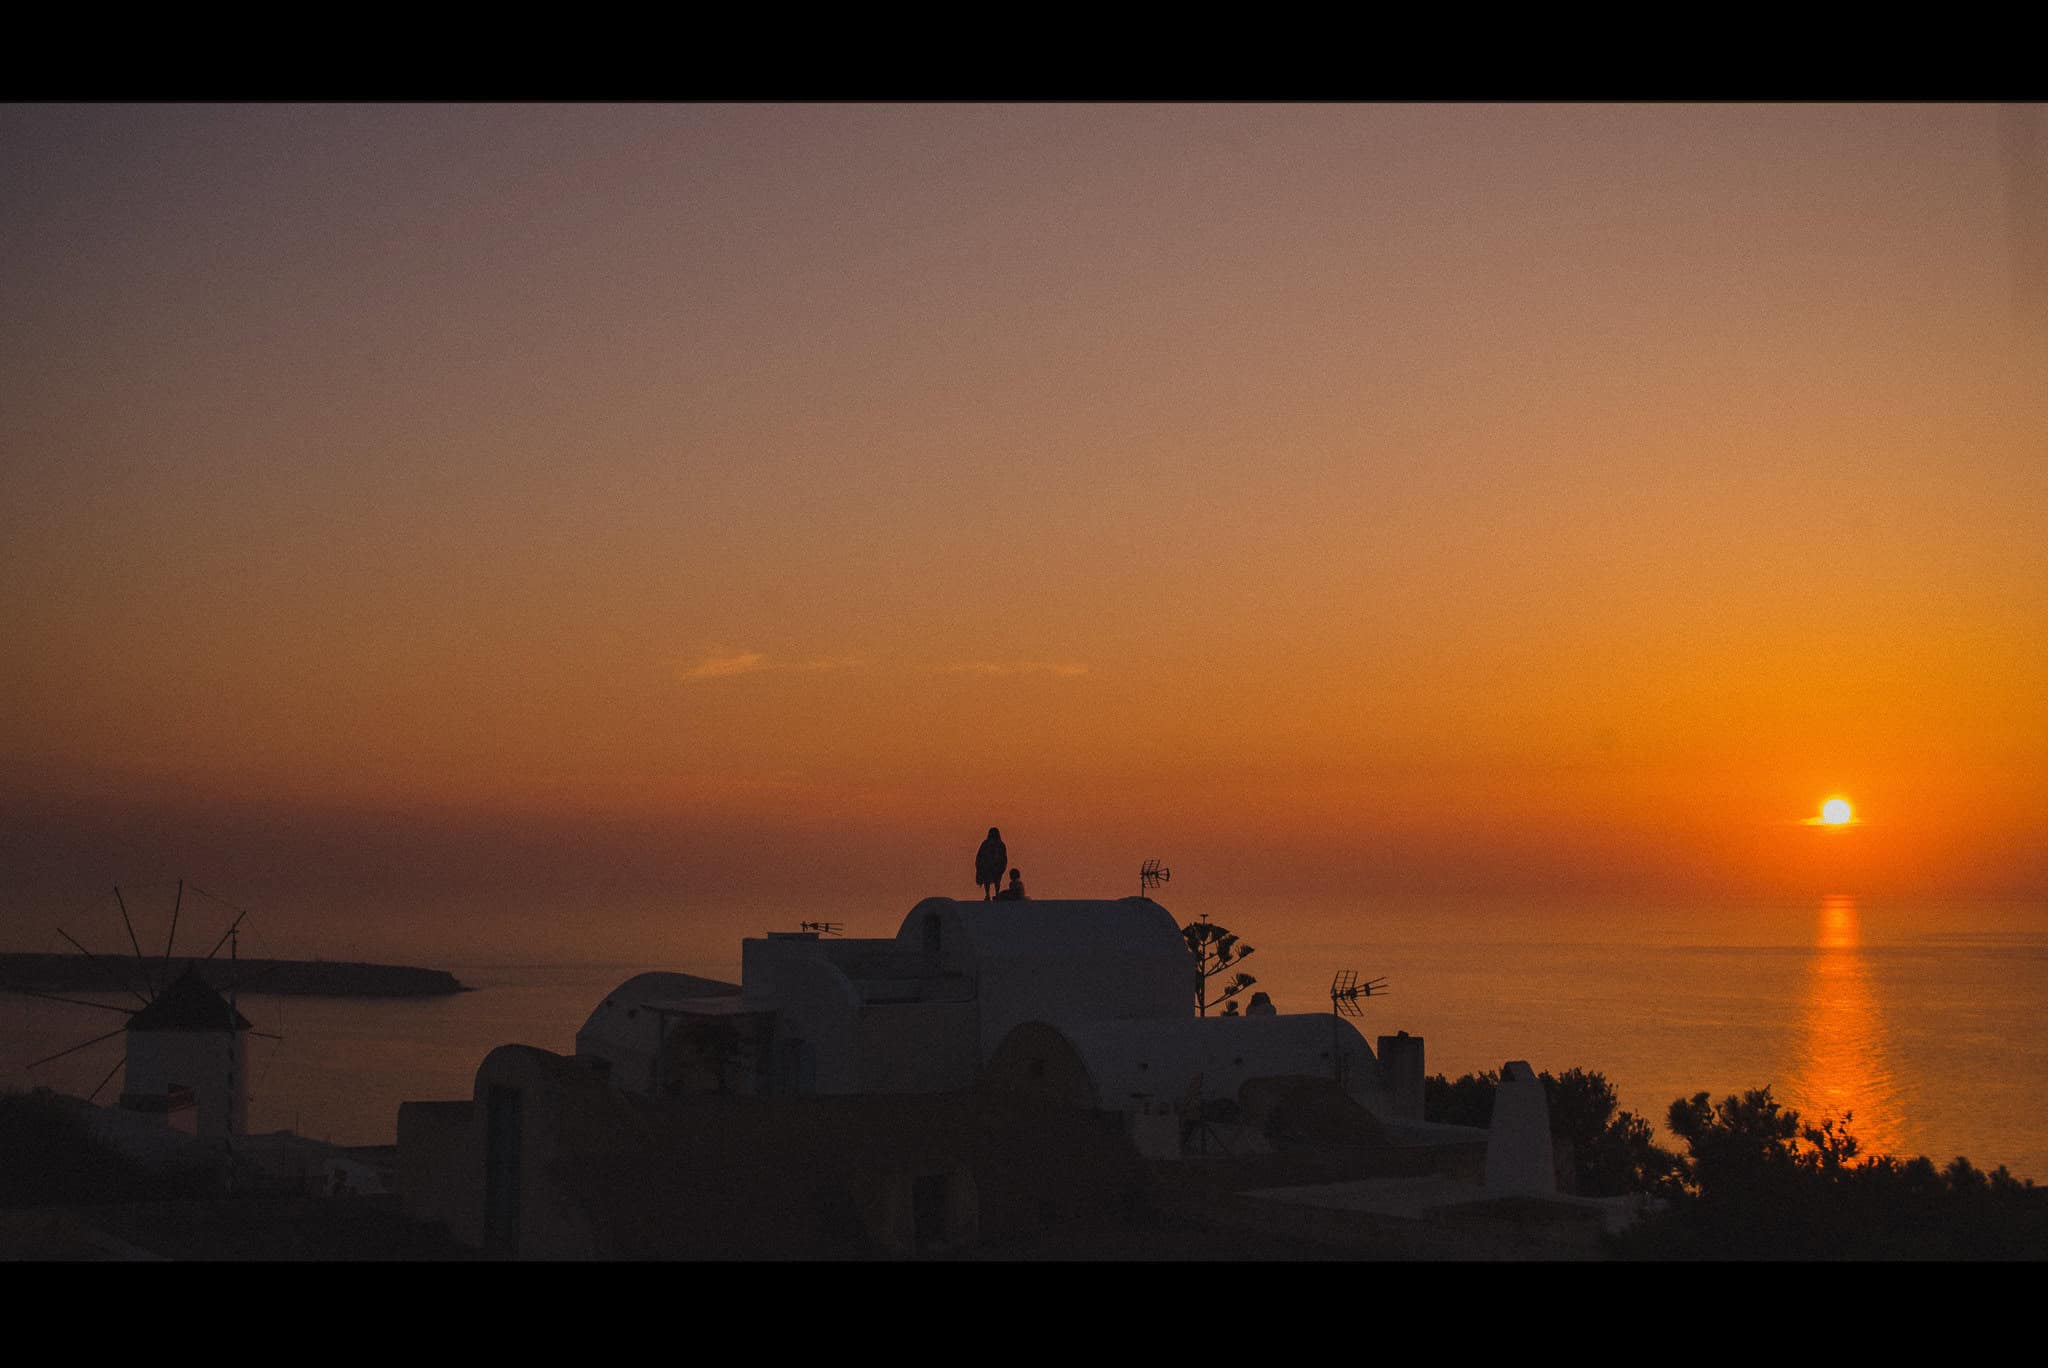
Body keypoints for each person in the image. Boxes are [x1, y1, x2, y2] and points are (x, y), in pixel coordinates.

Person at [975, 827, 1007, 900]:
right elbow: (980, 856)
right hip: (988, 866)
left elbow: (1003, 857)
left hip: (996, 866)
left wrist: (1002, 866)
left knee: (995, 880)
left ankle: (994, 894)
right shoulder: (986, 844)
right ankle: (989, 894)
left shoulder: (1000, 845)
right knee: (989, 880)